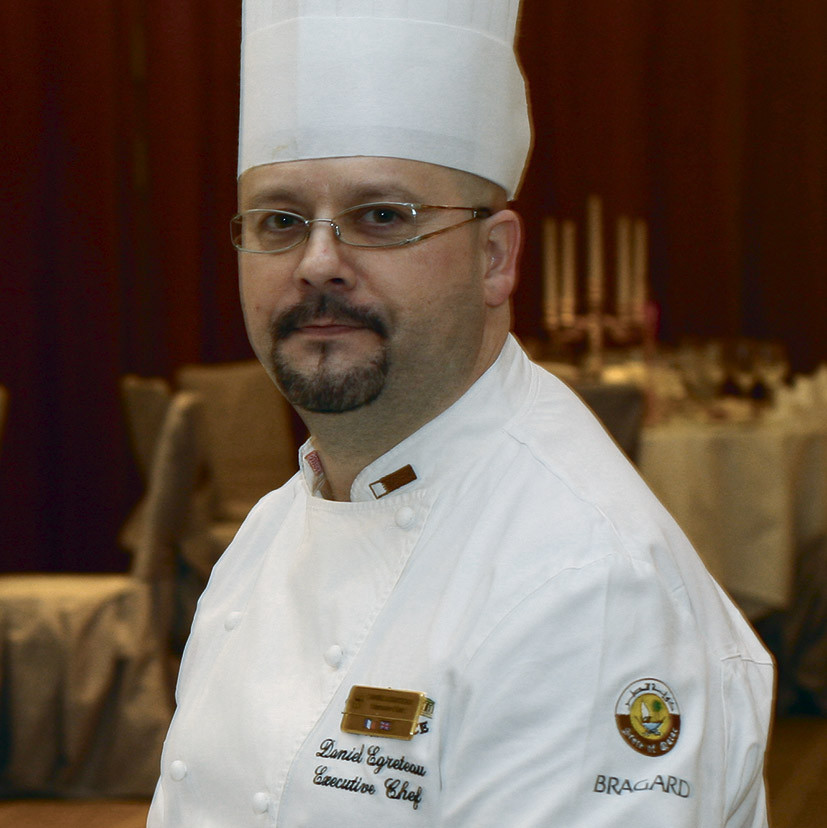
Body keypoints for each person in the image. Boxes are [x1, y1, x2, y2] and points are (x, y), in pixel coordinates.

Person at [148, 2, 773, 825]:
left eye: (382, 216)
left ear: (494, 258)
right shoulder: (271, 530)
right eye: (280, 221)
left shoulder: (584, 584)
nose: (318, 263)